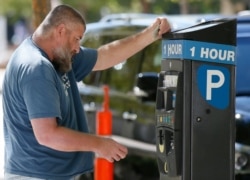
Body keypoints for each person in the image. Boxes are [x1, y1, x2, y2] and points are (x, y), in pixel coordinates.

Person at [2, 4, 171, 180]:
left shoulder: (58, 57)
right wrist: (99, 144)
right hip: (36, 176)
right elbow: (47, 134)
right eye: (76, 39)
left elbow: (105, 55)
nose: (77, 47)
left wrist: (150, 34)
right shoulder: (36, 68)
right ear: (60, 31)